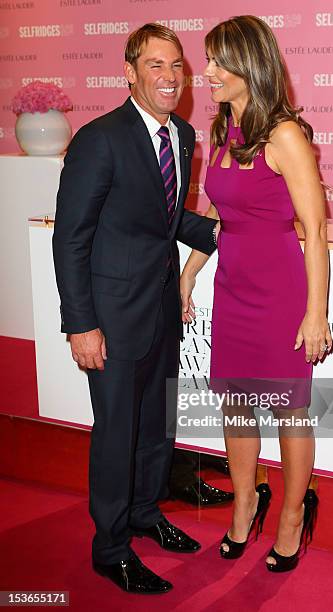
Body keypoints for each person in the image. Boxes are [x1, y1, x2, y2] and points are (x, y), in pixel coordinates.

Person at [53, 24, 220, 595]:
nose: (169, 77)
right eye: (155, 65)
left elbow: (165, 219)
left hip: (160, 311)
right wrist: (81, 324)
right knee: (117, 432)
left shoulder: (185, 135)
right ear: (129, 71)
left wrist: (236, 228)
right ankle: (111, 546)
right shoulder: (99, 138)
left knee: (156, 427)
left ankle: (146, 515)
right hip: (111, 318)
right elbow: (70, 238)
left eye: (176, 65)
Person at [180, 15, 333, 573]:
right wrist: (190, 272)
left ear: (250, 65)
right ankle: (246, 501)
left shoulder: (284, 135)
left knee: (290, 410)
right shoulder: (223, 131)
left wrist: (316, 314)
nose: (209, 72)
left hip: (280, 293)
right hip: (233, 288)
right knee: (238, 406)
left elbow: (314, 231)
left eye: (219, 62)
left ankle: (292, 514)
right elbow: (217, 214)